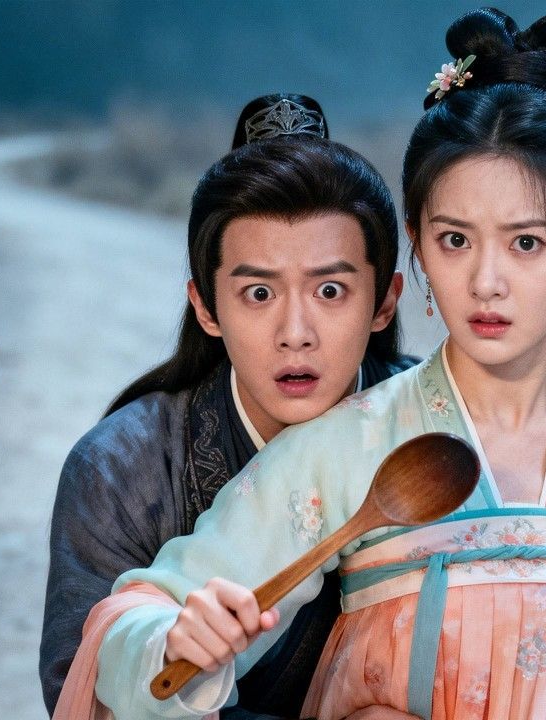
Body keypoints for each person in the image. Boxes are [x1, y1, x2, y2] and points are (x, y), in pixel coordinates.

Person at [76, 8, 546, 720]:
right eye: (455, 241)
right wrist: (180, 636)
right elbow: (141, 613)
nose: (486, 282)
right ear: (416, 243)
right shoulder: (348, 444)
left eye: (526, 243)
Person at [39, 94, 412, 719]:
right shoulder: (120, 468)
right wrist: (166, 651)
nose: (296, 333)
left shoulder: (433, 425)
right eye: (259, 293)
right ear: (206, 307)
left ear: (384, 302)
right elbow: (80, 688)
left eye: (330, 290)